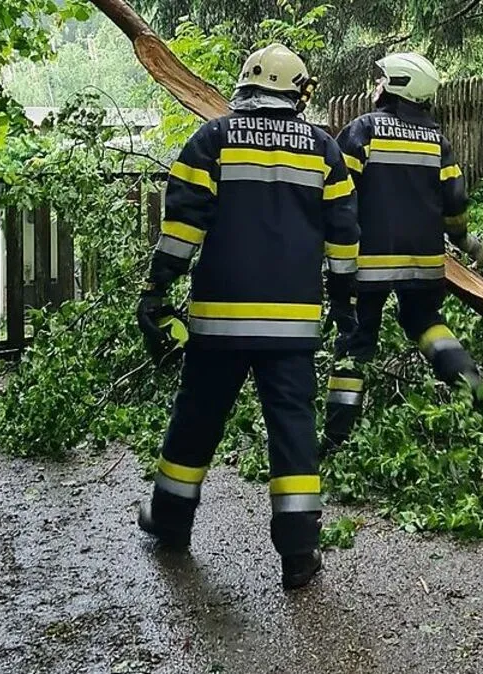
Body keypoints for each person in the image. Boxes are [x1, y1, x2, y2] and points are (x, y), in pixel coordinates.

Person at [135, 43, 359, 591]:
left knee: (196, 419)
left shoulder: (213, 139)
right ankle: (300, 554)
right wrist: (346, 305)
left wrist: (156, 293)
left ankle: (170, 521)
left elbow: (181, 229)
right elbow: (345, 239)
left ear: (246, 86)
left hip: (219, 321)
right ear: (297, 91)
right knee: (293, 430)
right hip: (293, 326)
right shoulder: (324, 150)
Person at [321, 52, 483, 453]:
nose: (376, 85)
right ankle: (470, 380)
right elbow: (455, 201)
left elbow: (338, 193)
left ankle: (335, 438)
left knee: (356, 339)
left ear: (397, 85)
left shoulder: (363, 130)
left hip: (369, 263)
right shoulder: (438, 141)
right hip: (425, 263)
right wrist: (465, 241)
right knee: (424, 321)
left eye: (382, 79)